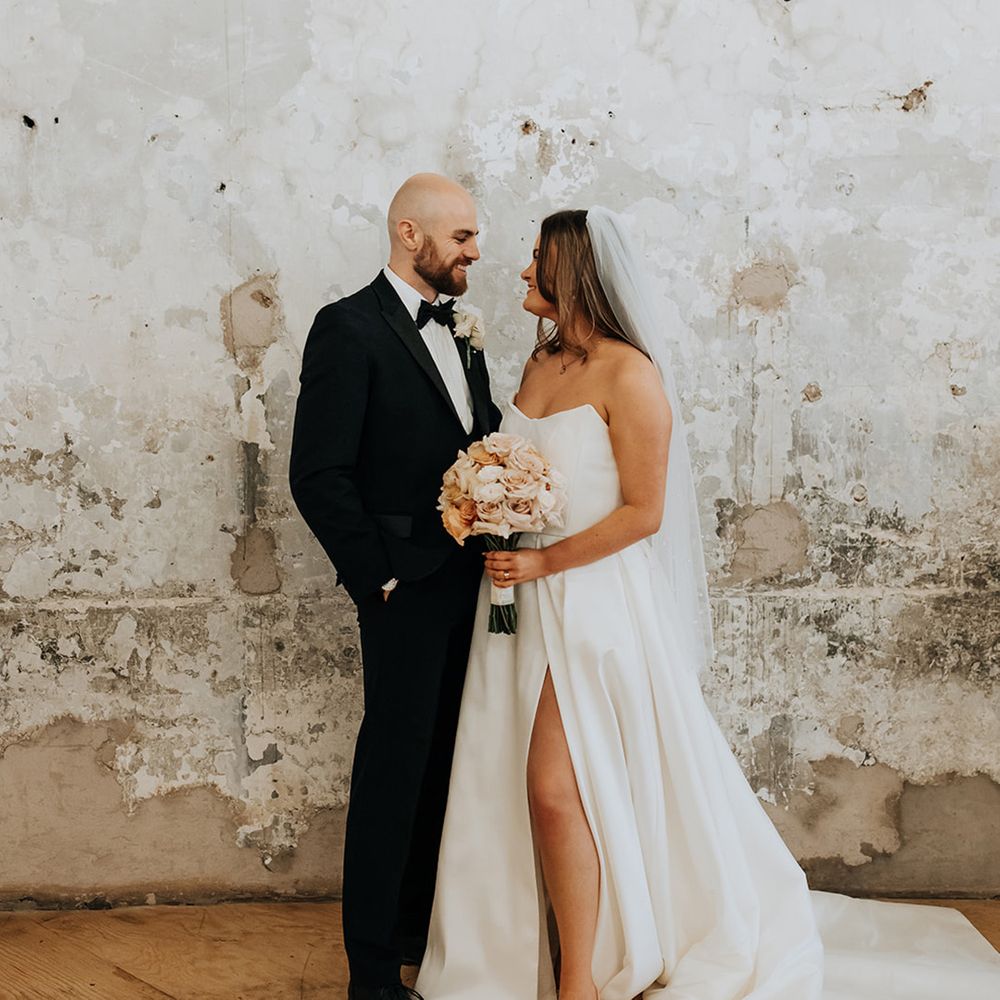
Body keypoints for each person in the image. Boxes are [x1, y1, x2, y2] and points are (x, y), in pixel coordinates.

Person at [415, 208, 1000, 999]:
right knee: (508, 778)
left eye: (535, 259)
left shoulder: (632, 375)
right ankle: (526, 954)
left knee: (556, 788)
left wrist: (547, 556)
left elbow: (641, 515)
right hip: (516, 601)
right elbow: (527, 470)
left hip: (591, 602)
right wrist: (489, 509)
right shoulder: (539, 363)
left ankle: (579, 984)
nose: (521, 272)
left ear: (573, 271)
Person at [288, 173, 502, 1000]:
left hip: (475, 586)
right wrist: (376, 576)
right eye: (462, 239)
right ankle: (372, 975)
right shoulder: (346, 328)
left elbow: (476, 446)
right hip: (403, 592)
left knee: (452, 763)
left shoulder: (467, 331)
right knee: (394, 774)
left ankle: (426, 944)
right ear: (410, 234)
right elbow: (319, 473)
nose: (476, 253)